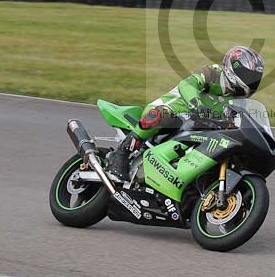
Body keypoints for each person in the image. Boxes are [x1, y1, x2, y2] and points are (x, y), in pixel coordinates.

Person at [106, 45, 264, 181]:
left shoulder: (237, 99)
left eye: (255, 78)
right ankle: (122, 152)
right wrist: (197, 105)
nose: (252, 81)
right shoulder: (214, 74)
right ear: (233, 69)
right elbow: (187, 84)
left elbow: (236, 121)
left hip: (196, 125)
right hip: (175, 109)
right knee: (161, 116)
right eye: (249, 76)